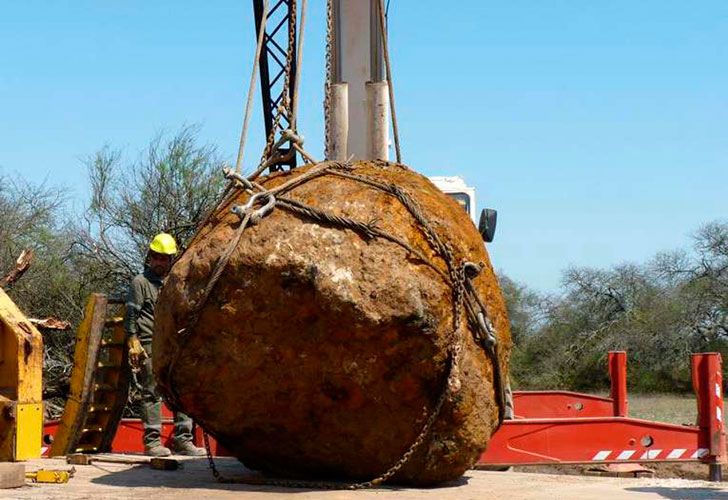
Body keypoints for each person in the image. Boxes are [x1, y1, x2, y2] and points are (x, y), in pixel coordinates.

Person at [124, 233, 206, 457]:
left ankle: (183, 440)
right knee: (151, 392)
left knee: (181, 390)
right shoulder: (140, 283)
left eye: (165, 258)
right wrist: (133, 339)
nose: (160, 262)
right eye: (157, 258)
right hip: (149, 344)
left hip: (173, 344)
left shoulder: (174, 281)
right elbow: (132, 313)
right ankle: (152, 443)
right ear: (150, 257)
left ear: (172, 260)